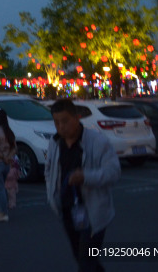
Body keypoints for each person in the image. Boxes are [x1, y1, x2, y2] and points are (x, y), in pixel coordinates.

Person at [46, 98, 121, 272]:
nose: (61, 127)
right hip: (67, 210)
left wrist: (86, 177)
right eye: (56, 122)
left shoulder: (97, 141)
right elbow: (49, 170)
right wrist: (51, 193)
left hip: (93, 212)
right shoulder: (55, 143)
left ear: (77, 118)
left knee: (86, 262)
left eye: (65, 121)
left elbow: (114, 172)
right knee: (82, 258)